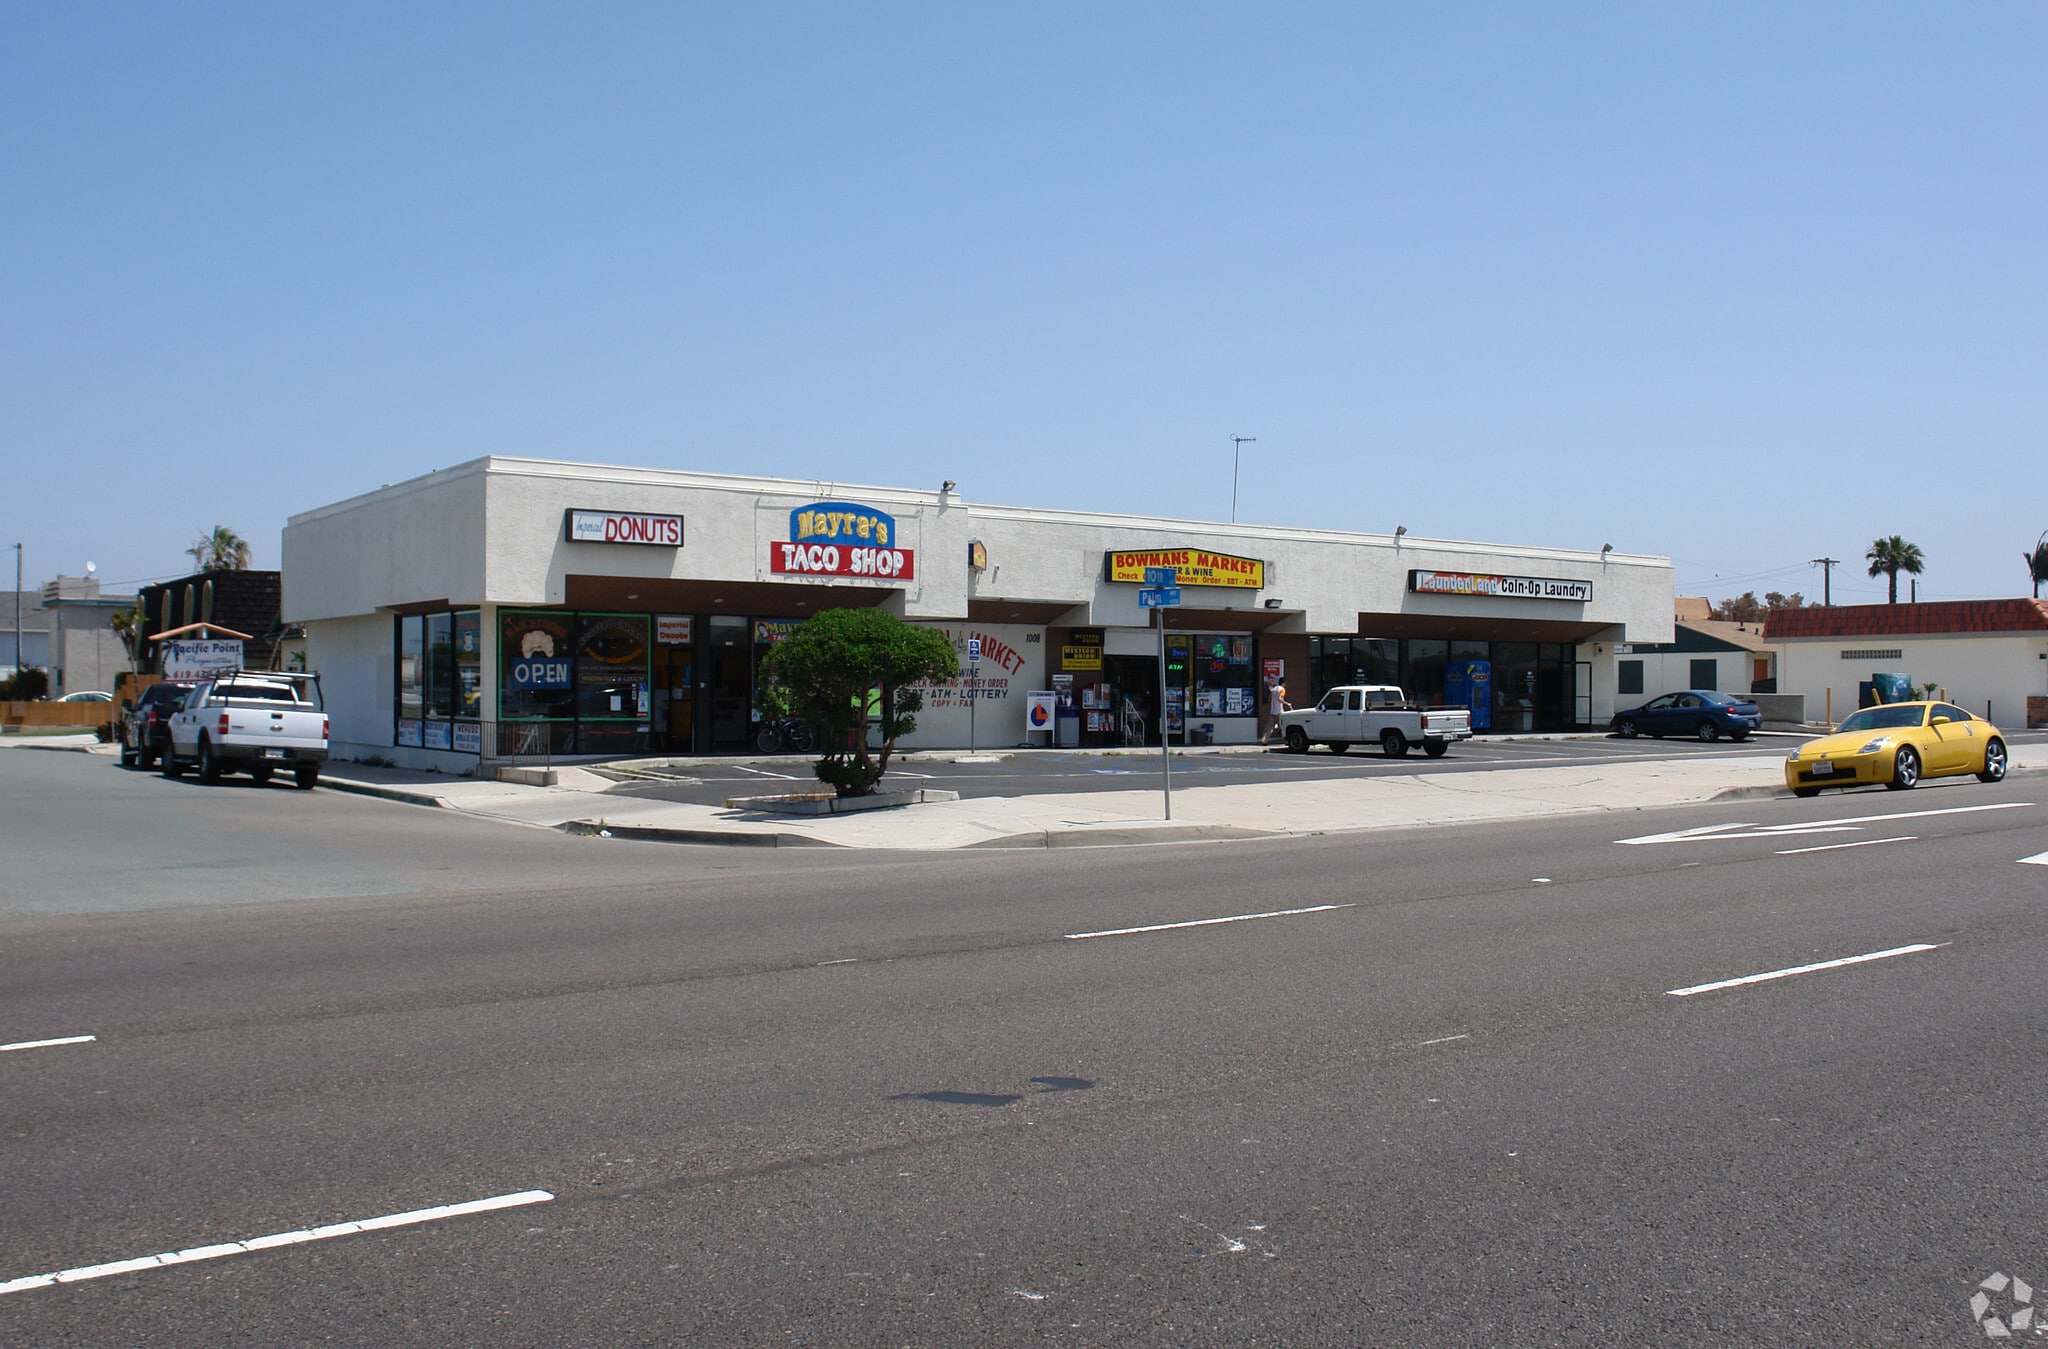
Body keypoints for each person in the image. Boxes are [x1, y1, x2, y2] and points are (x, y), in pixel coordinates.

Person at [1264, 676, 1290, 742]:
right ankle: (1286, 741)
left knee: (1270, 727)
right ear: (1283, 683)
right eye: (1285, 683)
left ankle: (1265, 740)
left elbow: (1269, 699)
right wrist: (1287, 703)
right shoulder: (1282, 689)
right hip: (1279, 711)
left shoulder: (1274, 689)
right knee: (1282, 726)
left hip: (1272, 711)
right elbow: (1280, 699)